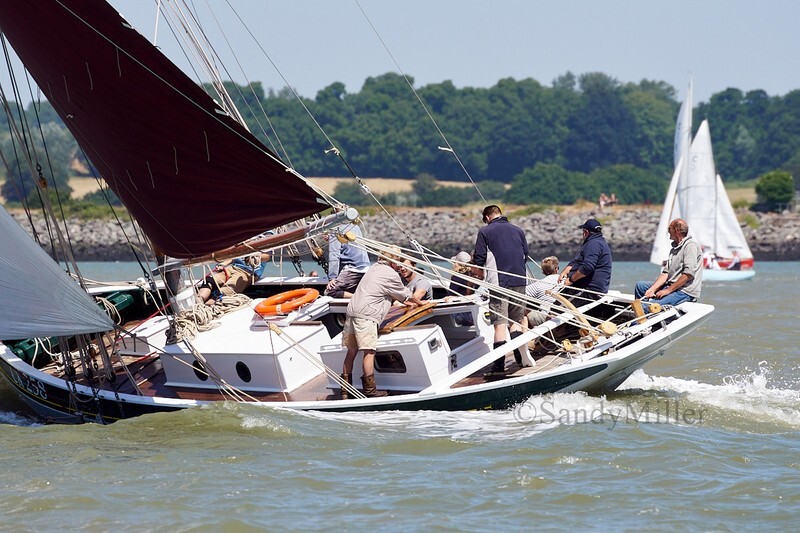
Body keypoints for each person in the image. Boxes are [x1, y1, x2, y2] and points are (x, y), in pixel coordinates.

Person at [341, 247, 424, 398]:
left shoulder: (374, 268)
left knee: (351, 351)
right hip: (366, 315)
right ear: (394, 261)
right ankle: (370, 391)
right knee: (369, 351)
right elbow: (405, 294)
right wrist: (420, 303)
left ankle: (345, 391)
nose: (399, 266)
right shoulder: (390, 274)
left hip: (352, 311)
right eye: (398, 261)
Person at [472, 205, 530, 375]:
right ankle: (520, 358)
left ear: (487, 217)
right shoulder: (518, 230)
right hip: (520, 279)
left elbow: (480, 258)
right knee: (516, 320)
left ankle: (499, 365)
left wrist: (475, 269)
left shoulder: (485, 232)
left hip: (499, 282)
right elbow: (525, 254)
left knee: (500, 324)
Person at [635, 218, 702, 311]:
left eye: (669, 229)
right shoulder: (674, 248)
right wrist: (652, 289)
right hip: (670, 286)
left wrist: (668, 290)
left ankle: (642, 317)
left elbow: (688, 274)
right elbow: (665, 273)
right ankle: (643, 313)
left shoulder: (690, 246)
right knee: (640, 286)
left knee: (651, 306)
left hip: (684, 291)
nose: (668, 231)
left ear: (677, 230)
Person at [558, 219, 612, 303]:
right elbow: (577, 261)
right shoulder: (596, 241)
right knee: (558, 298)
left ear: (586, 232)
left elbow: (588, 267)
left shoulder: (593, 244)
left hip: (590, 290)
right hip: (582, 285)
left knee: (556, 309)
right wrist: (565, 271)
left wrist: (571, 280)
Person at [197, 252, 271, 305]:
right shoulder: (243, 235)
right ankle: (198, 303)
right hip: (232, 267)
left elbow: (267, 257)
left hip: (248, 272)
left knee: (227, 289)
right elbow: (233, 257)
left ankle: (207, 308)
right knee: (209, 280)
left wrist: (252, 256)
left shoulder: (266, 234)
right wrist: (222, 264)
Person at [324, 223, 371, 299]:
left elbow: (334, 255)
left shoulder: (335, 229)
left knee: (330, 291)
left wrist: (332, 277)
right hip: (366, 268)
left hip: (352, 269)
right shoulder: (355, 226)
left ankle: (358, 298)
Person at [525, 256, 561, 329]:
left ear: (543, 271)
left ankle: (524, 336)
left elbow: (520, 294)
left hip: (546, 316)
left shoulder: (538, 285)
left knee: (521, 312)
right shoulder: (565, 280)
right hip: (562, 314)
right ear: (556, 269)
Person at [447, 251, 478, 326]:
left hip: (464, 313)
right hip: (475, 311)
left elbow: (452, 295)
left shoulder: (456, 277)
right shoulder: (475, 275)